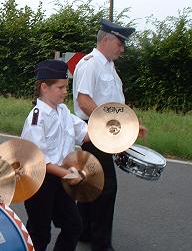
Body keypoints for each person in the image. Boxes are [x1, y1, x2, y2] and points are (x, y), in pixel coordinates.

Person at [72, 19, 147, 251]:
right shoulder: (90, 64)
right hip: (94, 131)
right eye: (120, 43)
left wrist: (131, 124)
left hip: (105, 130)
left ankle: (83, 230)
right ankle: (101, 244)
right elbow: (84, 101)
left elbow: (115, 104)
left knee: (91, 183)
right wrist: (109, 125)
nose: (122, 48)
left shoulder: (109, 67)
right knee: (106, 187)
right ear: (106, 40)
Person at [21, 59, 90, 251]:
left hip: (62, 178)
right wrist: (68, 174)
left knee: (73, 225)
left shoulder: (63, 112)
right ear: (44, 87)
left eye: (66, 87)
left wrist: (122, 132)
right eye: (60, 87)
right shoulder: (36, 119)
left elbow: (86, 134)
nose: (65, 92)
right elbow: (39, 160)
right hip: (40, 180)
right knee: (40, 232)